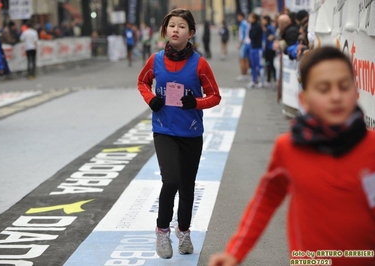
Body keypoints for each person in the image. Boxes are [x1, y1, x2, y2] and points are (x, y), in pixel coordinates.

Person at [209, 46, 375, 266]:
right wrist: (234, 251)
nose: (335, 96)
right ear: (303, 98)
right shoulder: (288, 148)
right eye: (323, 89)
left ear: (356, 93)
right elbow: (266, 199)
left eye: (344, 87)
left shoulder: (371, 147)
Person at [137, 8, 221, 260]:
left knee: (187, 187)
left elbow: (215, 96)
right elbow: (142, 82)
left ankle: (183, 231)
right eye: (171, 25)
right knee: (170, 180)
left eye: (182, 26)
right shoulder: (155, 60)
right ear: (165, 31)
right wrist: (151, 99)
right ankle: (162, 231)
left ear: (191, 32)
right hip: (164, 130)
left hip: (191, 133)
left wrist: (194, 103)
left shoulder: (200, 63)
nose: (176, 30)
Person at [247, 13, 263, 89]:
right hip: (253, 47)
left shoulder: (257, 26)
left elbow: (251, 35)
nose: (249, 19)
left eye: (250, 18)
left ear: (254, 18)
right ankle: (254, 80)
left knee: (258, 65)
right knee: (253, 65)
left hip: (257, 48)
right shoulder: (252, 26)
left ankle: (261, 81)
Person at [235, 13, 250, 81]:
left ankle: (242, 74)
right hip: (248, 42)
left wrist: (240, 44)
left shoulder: (243, 24)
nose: (238, 18)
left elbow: (243, 34)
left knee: (242, 59)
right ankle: (245, 74)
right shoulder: (246, 23)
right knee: (246, 59)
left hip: (244, 43)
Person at [262, 15, 276, 86]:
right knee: (269, 64)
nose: (262, 21)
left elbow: (273, 36)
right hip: (267, 48)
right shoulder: (266, 28)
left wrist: (272, 38)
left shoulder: (270, 28)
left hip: (270, 49)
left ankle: (270, 79)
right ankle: (271, 79)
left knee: (270, 64)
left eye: (263, 20)